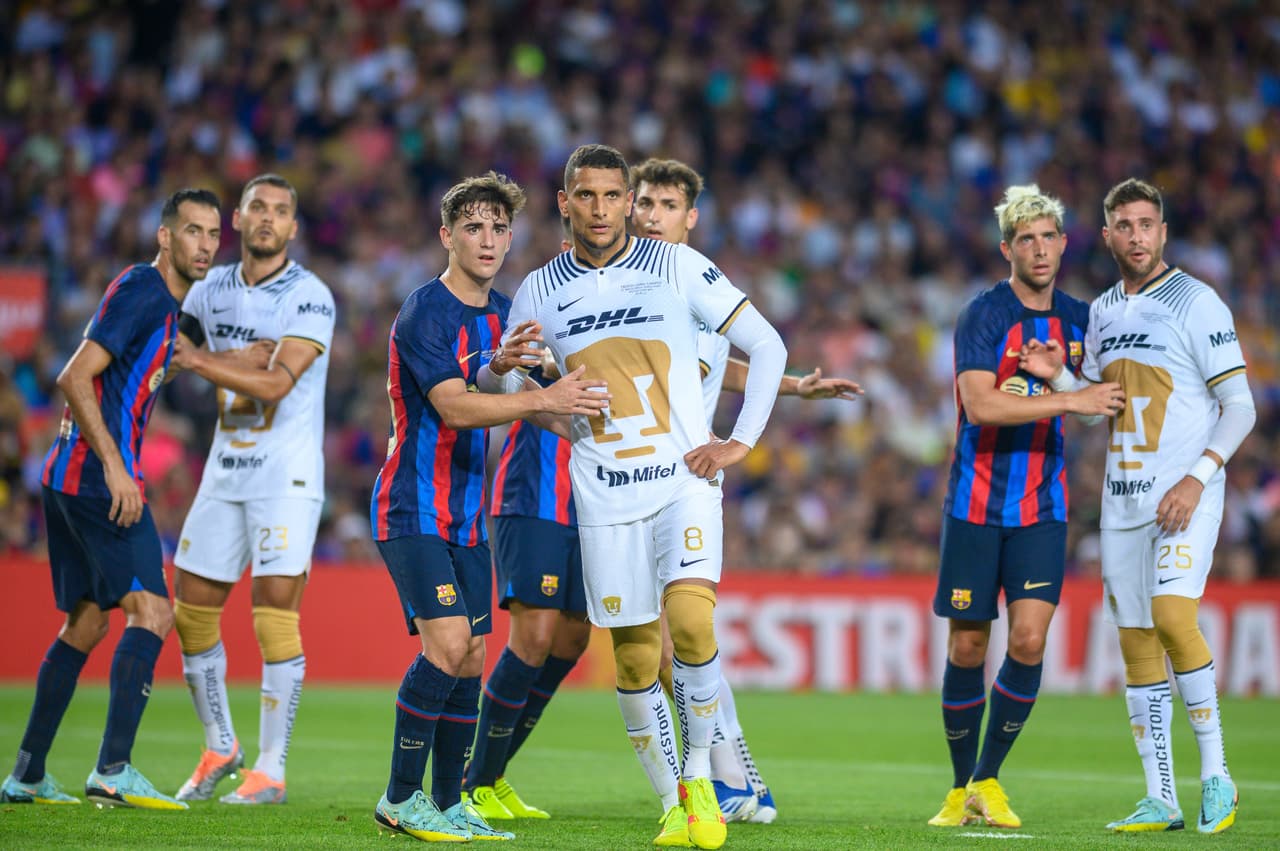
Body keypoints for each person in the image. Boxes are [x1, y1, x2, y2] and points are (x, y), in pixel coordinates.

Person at [491, 144, 788, 851]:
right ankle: (672, 804)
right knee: (631, 660)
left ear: (629, 201)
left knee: (691, 624)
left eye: (612, 195)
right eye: (584, 195)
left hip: (683, 482)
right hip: (602, 492)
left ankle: (700, 783)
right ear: (564, 203)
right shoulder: (537, 289)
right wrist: (515, 377)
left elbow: (768, 346)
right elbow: (512, 392)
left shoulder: (677, 266)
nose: (600, 209)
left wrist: (739, 442)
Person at [368, 171, 608, 843]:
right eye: (474, 227)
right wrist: (539, 399)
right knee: (446, 644)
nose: (489, 239)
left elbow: (538, 399)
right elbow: (453, 405)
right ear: (447, 236)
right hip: (412, 506)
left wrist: (612, 438)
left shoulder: (505, 314)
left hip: (467, 516)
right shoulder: (425, 310)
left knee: (473, 654)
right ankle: (398, 798)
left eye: (500, 228)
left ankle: (449, 801)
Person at [632, 156, 862, 825]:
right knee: (674, 640)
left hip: (684, 481)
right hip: (632, 482)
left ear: (690, 217)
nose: (651, 214)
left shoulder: (697, 278)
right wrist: (795, 387)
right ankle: (742, 780)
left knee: (679, 636)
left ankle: (726, 779)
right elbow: (710, 367)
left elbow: (747, 351)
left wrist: (749, 429)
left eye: (666, 205)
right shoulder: (629, 285)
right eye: (644, 202)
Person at [1022, 178, 1253, 834]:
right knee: (1136, 645)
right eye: (1124, 225)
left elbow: (1242, 406)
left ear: (1163, 232)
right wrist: (1061, 379)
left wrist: (1197, 478)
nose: (1137, 235)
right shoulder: (1101, 313)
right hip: (1123, 501)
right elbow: (1099, 409)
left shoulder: (1197, 302)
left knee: (1175, 616)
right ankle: (1161, 796)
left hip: (1186, 494)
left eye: (1147, 223)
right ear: (1108, 235)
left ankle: (1217, 774)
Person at [0, 188, 223, 810]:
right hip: (100, 480)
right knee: (153, 612)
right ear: (164, 236)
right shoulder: (145, 291)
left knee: (88, 621)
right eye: (193, 231)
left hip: (67, 476)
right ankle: (113, 768)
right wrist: (118, 467)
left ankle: (26, 773)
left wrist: (203, 364)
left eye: (212, 234)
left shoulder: (163, 309)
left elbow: (132, 375)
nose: (204, 244)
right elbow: (73, 375)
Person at [927, 184, 1125, 830]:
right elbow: (981, 406)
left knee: (1032, 638)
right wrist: (1070, 399)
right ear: (1007, 247)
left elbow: (1099, 408)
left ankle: (988, 777)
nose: (1039, 249)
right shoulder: (983, 316)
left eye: (1049, 237)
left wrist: (1070, 385)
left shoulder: (1082, 318)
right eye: (1026, 240)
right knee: (968, 646)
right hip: (976, 502)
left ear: (1065, 243)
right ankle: (960, 789)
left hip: (1043, 506)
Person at [167, 174, 332, 806]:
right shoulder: (208, 290)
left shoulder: (310, 296)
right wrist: (237, 359)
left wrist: (200, 359)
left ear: (293, 227)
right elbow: (163, 345)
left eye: (281, 211)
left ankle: (270, 769)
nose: (268, 219)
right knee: (191, 611)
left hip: (285, 476)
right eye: (257, 208)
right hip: (224, 467)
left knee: (273, 617)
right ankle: (219, 745)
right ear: (237, 218)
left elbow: (274, 385)